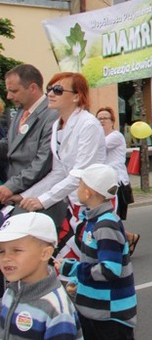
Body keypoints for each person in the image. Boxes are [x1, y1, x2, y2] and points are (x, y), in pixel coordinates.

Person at [58, 164, 152, 340]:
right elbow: (91, 261)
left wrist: (72, 269)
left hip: (110, 312)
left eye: (80, 184)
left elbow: (110, 269)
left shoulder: (105, 225)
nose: (77, 188)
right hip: (92, 306)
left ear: (88, 192)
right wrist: (78, 280)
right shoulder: (93, 220)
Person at [13, 72, 106, 261]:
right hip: (73, 203)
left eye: (57, 90)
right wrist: (25, 196)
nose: (50, 94)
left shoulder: (89, 124)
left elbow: (79, 174)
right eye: (49, 89)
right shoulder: (58, 125)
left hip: (94, 202)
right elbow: (58, 172)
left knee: (92, 260)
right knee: (70, 261)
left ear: (76, 96)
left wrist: (43, 200)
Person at [0, 212, 84, 340]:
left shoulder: (56, 310)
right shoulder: (10, 292)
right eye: (1, 251)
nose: (6, 258)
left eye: (16, 250)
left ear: (45, 253)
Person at [0, 64, 58, 212]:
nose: (9, 96)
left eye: (14, 91)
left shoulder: (52, 115)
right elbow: (10, 145)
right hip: (15, 198)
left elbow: (43, 161)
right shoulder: (21, 112)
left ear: (32, 88)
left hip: (38, 201)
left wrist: (10, 186)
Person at [96, 106, 142, 256]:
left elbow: (99, 147)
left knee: (111, 217)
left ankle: (120, 245)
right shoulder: (98, 137)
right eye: (99, 118)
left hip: (116, 182)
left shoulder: (116, 136)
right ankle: (129, 238)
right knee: (107, 217)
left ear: (112, 121)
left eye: (105, 118)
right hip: (102, 183)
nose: (102, 121)